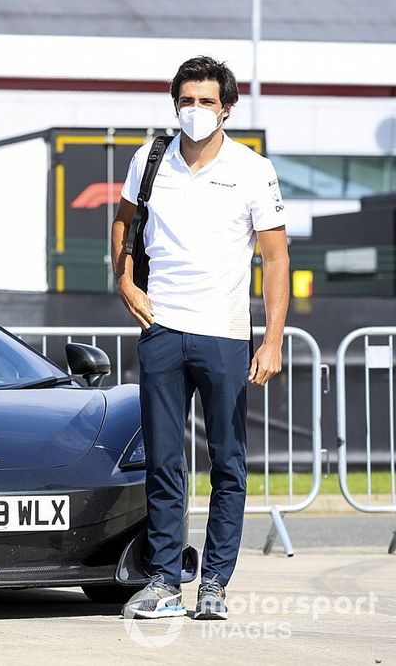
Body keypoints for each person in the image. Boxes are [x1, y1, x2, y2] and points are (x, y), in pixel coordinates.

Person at [111, 56, 290, 620]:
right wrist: (124, 281)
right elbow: (124, 220)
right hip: (162, 329)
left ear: (226, 108)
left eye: (206, 101)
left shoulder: (253, 169)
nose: (195, 110)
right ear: (175, 105)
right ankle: (165, 581)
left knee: (227, 463)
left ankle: (214, 582)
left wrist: (272, 341)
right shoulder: (150, 158)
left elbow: (276, 257)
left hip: (225, 335)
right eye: (186, 101)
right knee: (164, 463)